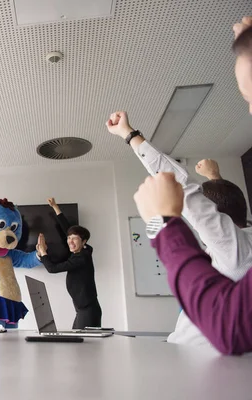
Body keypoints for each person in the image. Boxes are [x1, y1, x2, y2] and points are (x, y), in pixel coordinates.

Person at [106, 110, 252, 347]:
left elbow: (185, 188)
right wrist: (214, 176)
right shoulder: (242, 242)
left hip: (194, 361)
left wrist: (129, 134)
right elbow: (228, 210)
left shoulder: (233, 251)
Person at [133, 172, 252, 355]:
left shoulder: (235, 248)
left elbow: (229, 326)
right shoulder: (234, 247)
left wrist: (160, 220)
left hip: (205, 366)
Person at [36, 198, 101, 329]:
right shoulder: (83, 250)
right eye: (68, 238)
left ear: (84, 241)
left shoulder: (80, 258)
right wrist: (55, 207)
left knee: (85, 347)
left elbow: (52, 269)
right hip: (82, 308)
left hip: (87, 310)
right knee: (78, 344)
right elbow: (68, 229)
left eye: (74, 239)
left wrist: (43, 252)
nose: (70, 241)